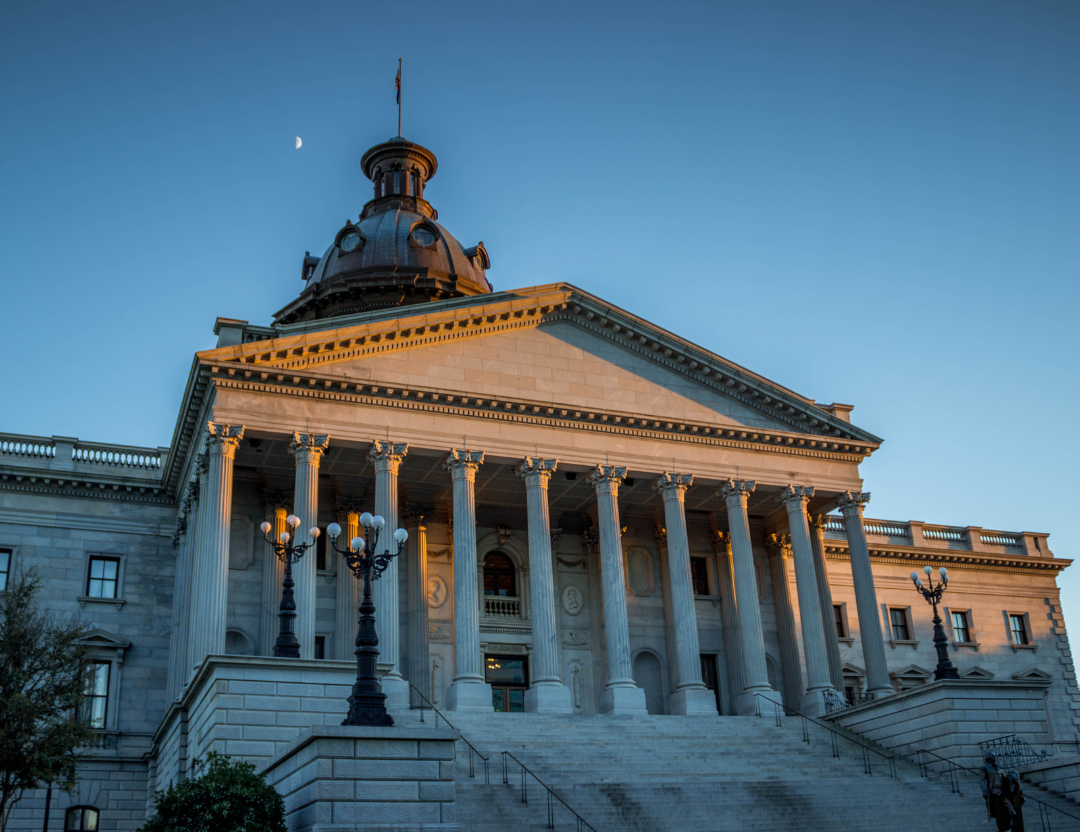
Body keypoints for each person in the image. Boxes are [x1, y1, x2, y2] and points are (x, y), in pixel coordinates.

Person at [981, 754, 1014, 831]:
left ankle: (1008, 827)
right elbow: (982, 780)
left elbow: (1004, 778)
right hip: (994, 793)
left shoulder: (997, 767)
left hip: (1003, 792)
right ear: (988, 758)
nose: (995, 757)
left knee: (1012, 811)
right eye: (993, 756)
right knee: (998, 813)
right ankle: (1001, 830)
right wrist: (985, 791)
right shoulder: (985, 767)